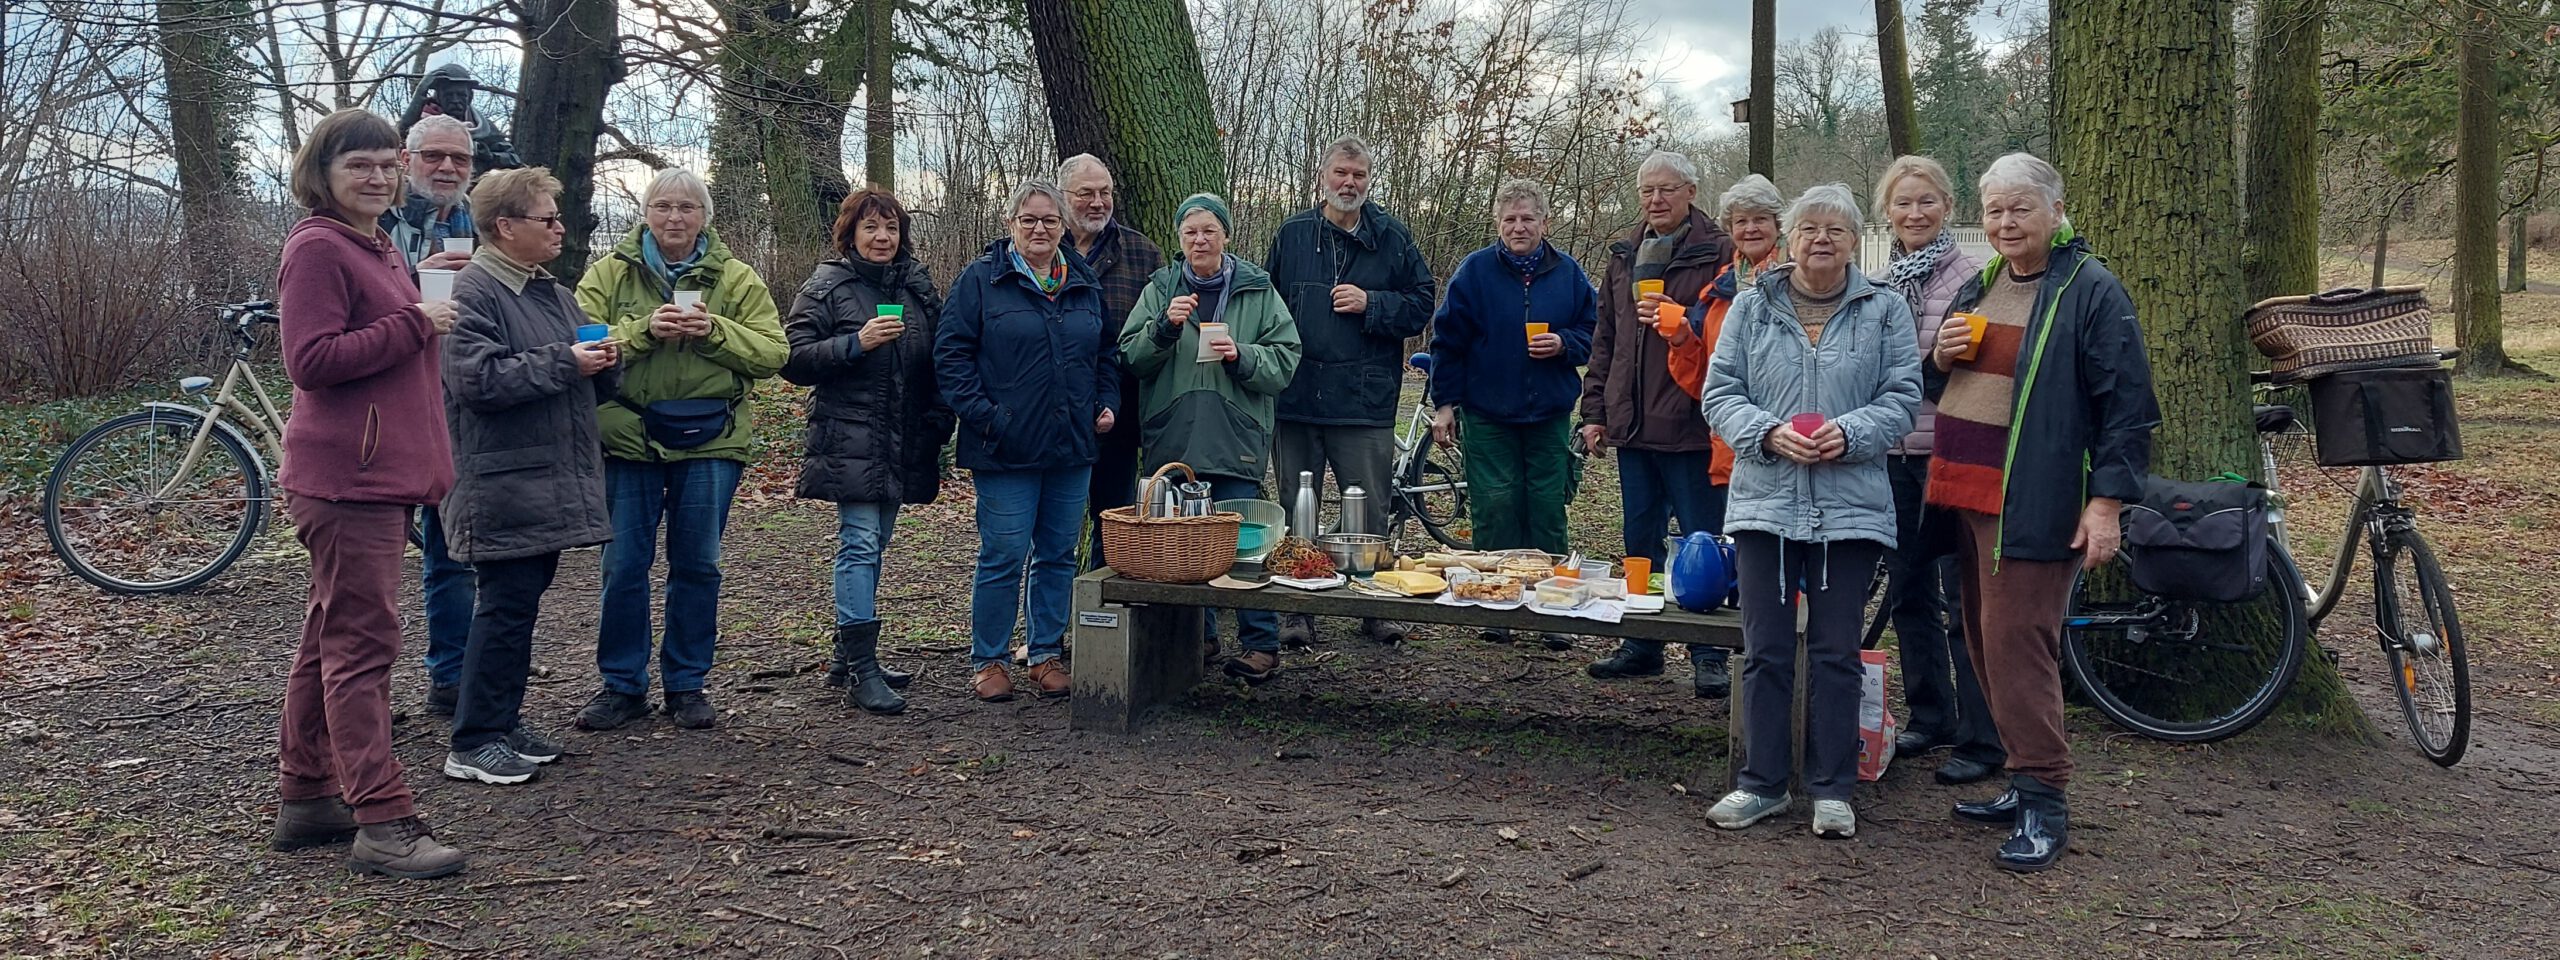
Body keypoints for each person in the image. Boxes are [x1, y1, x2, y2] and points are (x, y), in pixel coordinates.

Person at [1930, 153, 2158, 872]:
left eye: (2019, 208)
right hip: (1965, 494)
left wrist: (2107, 504)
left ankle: (2044, 800)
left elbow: (2128, 409)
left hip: (2032, 496)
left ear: (2057, 211)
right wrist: (1939, 354)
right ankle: (2019, 774)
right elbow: (1956, 377)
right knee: (1980, 637)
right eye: (1994, 210)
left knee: (2017, 646)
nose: (2004, 222)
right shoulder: (1988, 278)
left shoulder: (2089, 289)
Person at [268, 108, 465, 879]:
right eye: (361, 166)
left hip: (376, 474)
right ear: (324, 174)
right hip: (348, 479)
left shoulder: (375, 244)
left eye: (387, 164)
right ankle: (382, 820)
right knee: (362, 646)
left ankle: (308, 794)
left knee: (329, 634)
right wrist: (416, 322)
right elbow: (310, 360)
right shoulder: (319, 247)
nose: (378, 177)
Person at [1699, 183, 1922, 841]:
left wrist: (1850, 433)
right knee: (1766, 649)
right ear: (1789, 239)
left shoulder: (1885, 311)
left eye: (1836, 229)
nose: (1821, 239)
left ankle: (1832, 789)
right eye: (1809, 229)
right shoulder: (1751, 306)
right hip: (1766, 502)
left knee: (1836, 650)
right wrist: (1767, 433)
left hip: (1850, 507)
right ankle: (1761, 783)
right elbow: (1721, 394)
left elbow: (1904, 397)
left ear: (1856, 241)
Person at [572, 168, 789, 732]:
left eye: (687, 209)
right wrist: (646, 331)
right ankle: (621, 685)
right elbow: (580, 343)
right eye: (663, 206)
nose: (674, 218)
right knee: (623, 567)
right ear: (645, 213)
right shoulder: (608, 273)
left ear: (704, 218)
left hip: (712, 440)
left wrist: (713, 330)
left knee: (698, 564)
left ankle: (687, 684)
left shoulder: (736, 278)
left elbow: (772, 353)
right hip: (629, 439)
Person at [435, 168, 617, 785]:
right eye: (547, 218)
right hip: (499, 481)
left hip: (540, 479)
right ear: (505, 227)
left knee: (520, 604)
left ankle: (503, 722)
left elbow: (569, 371)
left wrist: (602, 362)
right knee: (504, 606)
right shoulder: (475, 291)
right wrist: (566, 361)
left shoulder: (550, 292)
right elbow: (477, 381)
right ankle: (475, 739)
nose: (560, 228)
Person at [936, 180, 1120, 703]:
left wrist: (1106, 402)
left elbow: (1105, 351)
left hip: (1071, 445)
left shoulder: (1082, 280)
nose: (1040, 229)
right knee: (1004, 554)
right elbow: (951, 357)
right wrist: (989, 419)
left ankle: (1044, 654)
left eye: (1050, 221)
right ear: (1010, 224)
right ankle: (989, 659)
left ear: (1064, 227)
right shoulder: (980, 281)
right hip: (1005, 448)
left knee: (1059, 552)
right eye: (1029, 220)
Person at [780, 186, 952, 716]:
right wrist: (856, 343)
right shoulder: (827, 285)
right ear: (851, 234)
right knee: (858, 542)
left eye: (891, 228)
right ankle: (862, 668)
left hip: (903, 439)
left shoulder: (918, 286)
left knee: (875, 543)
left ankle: (843, 653)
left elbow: (941, 356)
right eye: (871, 228)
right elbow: (793, 357)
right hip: (850, 438)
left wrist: (940, 418)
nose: (882, 238)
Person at [1118, 193, 1302, 682]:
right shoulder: (1160, 288)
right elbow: (1131, 357)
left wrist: (1240, 355)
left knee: (1243, 538)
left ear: (1226, 235)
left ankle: (1260, 644)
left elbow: (1285, 359)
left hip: (1235, 434)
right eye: (1190, 232)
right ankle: (1197, 639)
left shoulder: (1258, 290)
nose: (1200, 240)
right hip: (1173, 437)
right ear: (1179, 240)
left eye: (1209, 231)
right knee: (1182, 545)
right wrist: (1163, 328)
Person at [1264, 135, 1437, 646]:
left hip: (1365, 402)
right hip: (1297, 398)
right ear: (1322, 176)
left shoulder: (1392, 237)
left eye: (1359, 175)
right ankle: (1300, 609)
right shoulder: (1293, 234)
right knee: (1300, 506)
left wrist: (1373, 304)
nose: (1349, 183)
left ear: (1369, 180)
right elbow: (1265, 304)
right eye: (1340, 173)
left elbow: (1422, 301)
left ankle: (1372, 603)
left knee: (1370, 509)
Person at [1578, 150, 1737, 695]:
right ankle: (1641, 642)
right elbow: (1607, 338)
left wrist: (1682, 320)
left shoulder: (1718, 251)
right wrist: (1595, 411)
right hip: (1633, 421)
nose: (1656, 200)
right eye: (1648, 191)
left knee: (1702, 539)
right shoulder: (1625, 252)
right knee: (1638, 537)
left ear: (1691, 191)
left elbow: (1726, 330)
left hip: (1691, 421)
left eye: (1668, 190)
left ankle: (1708, 651)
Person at [1870, 155, 2003, 786]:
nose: (1915, 213)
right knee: (1907, 590)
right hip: (1891, 454)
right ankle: (1931, 715)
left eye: (1926, 202)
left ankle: (1982, 737)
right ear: (1887, 212)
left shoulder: (1974, 276)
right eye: (1903, 203)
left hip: (1951, 452)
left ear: (1948, 207)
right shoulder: (1879, 282)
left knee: (1963, 596)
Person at [1425, 180, 1595, 650]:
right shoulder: (1475, 272)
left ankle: (1551, 608)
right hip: (1488, 412)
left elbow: (1595, 330)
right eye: (1509, 220)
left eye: (1527, 219)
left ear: (1545, 221)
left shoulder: (1569, 274)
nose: (1518, 227)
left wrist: (1565, 344)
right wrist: (1444, 404)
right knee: (1495, 507)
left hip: (1548, 412)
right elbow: (1447, 343)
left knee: (1545, 510)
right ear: (1497, 224)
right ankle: (1494, 602)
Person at [382, 113, 479, 718]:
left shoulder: (475, 224)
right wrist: (422, 284)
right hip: (383, 407)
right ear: (406, 157)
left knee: (452, 553)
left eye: (459, 160)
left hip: (453, 404)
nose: (446, 168)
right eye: (434, 156)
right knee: (373, 562)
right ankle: (364, 695)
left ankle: (451, 679)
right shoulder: (370, 222)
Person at [1061, 154, 1168, 570]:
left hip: (1119, 416)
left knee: (1114, 524)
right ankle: (1052, 626)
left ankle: (1104, 623)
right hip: (1054, 416)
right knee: (1055, 530)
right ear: (1064, 196)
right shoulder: (1045, 249)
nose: (1098, 202)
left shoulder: (1142, 254)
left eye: (1105, 193)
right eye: (1086, 193)